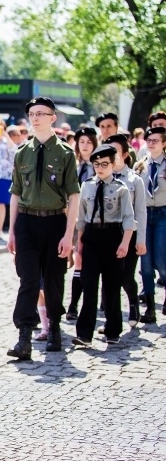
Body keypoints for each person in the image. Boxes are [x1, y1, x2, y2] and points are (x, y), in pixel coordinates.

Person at [7, 97, 80, 360]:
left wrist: (69, 235)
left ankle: (55, 330)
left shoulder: (65, 153)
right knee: (27, 280)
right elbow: (15, 193)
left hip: (54, 222)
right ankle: (24, 337)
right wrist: (12, 231)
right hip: (26, 221)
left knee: (53, 280)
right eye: (32, 113)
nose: (35, 118)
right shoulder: (22, 152)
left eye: (41, 113)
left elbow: (73, 196)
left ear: (53, 117)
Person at [72, 144, 135, 347]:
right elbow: (81, 218)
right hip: (91, 236)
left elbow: (128, 218)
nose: (100, 168)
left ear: (113, 163)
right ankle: (84, 333)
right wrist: (79, 245)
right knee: (89, 285)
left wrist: (125, 243)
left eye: (104, 164)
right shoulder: (87, 185)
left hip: (112, 236)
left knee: (111, 286)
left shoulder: (121, 188)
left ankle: (113, 329)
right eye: (96, 164)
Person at [107, 133, 147, 328]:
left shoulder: (134, 179)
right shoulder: (100, 177)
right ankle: (112, 321)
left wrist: (141, 239)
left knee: (125, 277)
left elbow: (140, 211)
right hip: (106, 235)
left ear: (124, 154)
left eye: (115, 151)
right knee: (109, 278)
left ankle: (133, 302)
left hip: (128, 235)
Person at [65, 127, 99, 320]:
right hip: (70, 216)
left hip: (89, 219)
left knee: (81, 259)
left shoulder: (98, 165)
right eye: (82, 142)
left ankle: (74, 304)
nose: (85, 146)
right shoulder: (73, 163)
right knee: (70, 259)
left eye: (88, 142)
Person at [139, 126, 166, 323]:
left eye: (156, 140)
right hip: (145, 215)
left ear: (164, 144)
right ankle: (149, 307)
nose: (151, 143)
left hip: (164, 213)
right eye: (149, 140)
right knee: (146, 263)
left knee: (161, 259)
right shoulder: (141, 166)